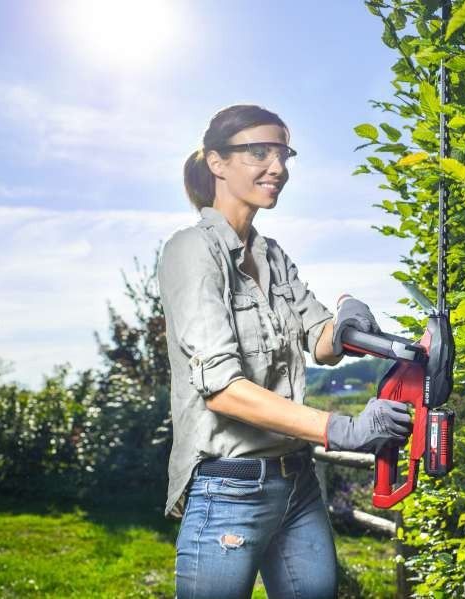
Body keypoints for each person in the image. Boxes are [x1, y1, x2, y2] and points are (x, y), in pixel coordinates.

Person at [158, 104, 412, 599]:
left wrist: (348, 323)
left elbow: (320, 340)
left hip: (297, 482)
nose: (278, 167)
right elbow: (224, 392)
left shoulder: (271, 254)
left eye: (283, 154)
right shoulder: (192, 250)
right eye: (259, 152)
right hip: (230, 487)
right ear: (216, 162)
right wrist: (345, 430)